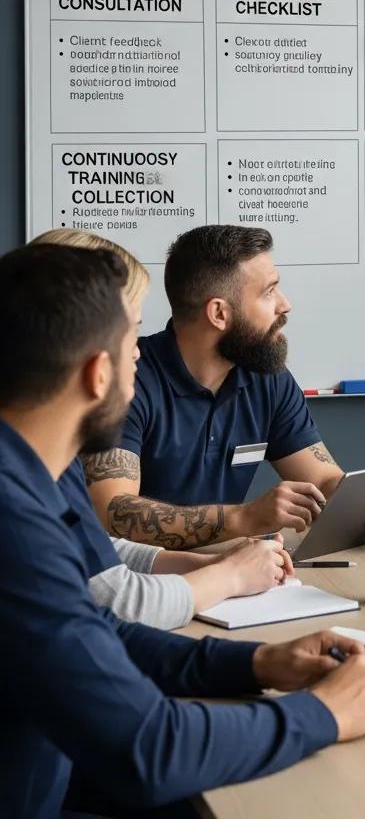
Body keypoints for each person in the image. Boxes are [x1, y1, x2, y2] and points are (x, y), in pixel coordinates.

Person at [0, 243, 365, 819]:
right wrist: (325, 714)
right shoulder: (14, 523)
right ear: (98, 373)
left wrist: (258, 663)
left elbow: (99, 630)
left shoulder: (37, 475)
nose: (139, 360)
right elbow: (147, 748)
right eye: (130, 343)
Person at [82, 225, 365, 549]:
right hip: (136, 582)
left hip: (236, 574)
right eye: (268, 292)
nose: (284, 305)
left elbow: (324, 481)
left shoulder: (267, 377)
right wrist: (243, 519)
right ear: (219, 313)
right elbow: (114, 511)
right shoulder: (128, 377)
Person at [31, 228, 293, 629]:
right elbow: (118, 597)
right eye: (128, 330)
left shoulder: (54, 463)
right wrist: (231, 572)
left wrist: (213, 563)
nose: (137, 349)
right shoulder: (18, 475)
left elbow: (102, 555)